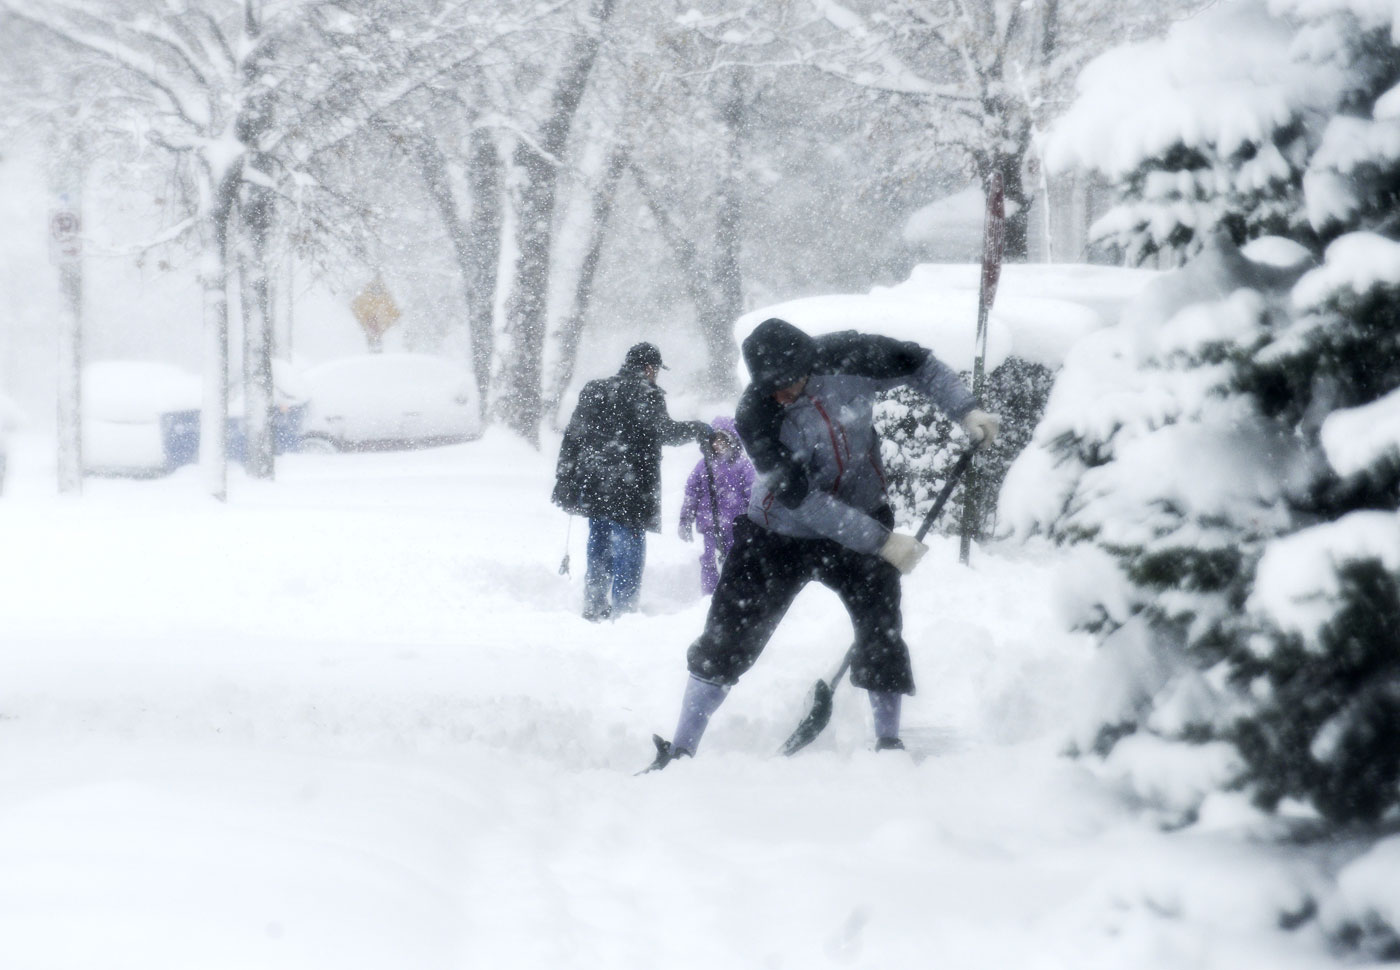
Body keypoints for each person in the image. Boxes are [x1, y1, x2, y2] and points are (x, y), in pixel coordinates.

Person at [644, 318, 1001, 768]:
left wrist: (966, 410)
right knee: (727, 638)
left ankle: (888, 744)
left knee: (881, 630)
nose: (780, 395)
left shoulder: (851, 356)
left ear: (807, 363)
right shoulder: (755, 415)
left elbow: (920, 365)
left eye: (787, 384)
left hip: (862, 512)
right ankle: (680, 748)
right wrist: (882, 541)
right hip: (777, 534)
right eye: (769, 387)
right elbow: (799, 498)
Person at [553, 342, 714, 621]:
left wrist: (565, 476)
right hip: (631, 487)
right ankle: (624, 613)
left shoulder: (594, 389)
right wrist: (697, 429)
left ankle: (593, 606)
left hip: (595, 483)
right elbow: (665, 433)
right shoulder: (646, 394)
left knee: (599, 542)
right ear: (650, 368)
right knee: (629, 546)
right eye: (656, 370)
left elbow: (573, 436)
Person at [678, 417, 756, 595]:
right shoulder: (704, 465)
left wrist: (754, 520)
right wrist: (685, 519)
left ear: (733, 441)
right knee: (708, 559)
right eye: (715, 440)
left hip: (735, 525)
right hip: (709, 524)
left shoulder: (742, 465)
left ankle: (734, 593)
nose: (718, 444)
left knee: (734, 559)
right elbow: (692, 492)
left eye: (723, 440)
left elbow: (752, 493)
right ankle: (710, 594)